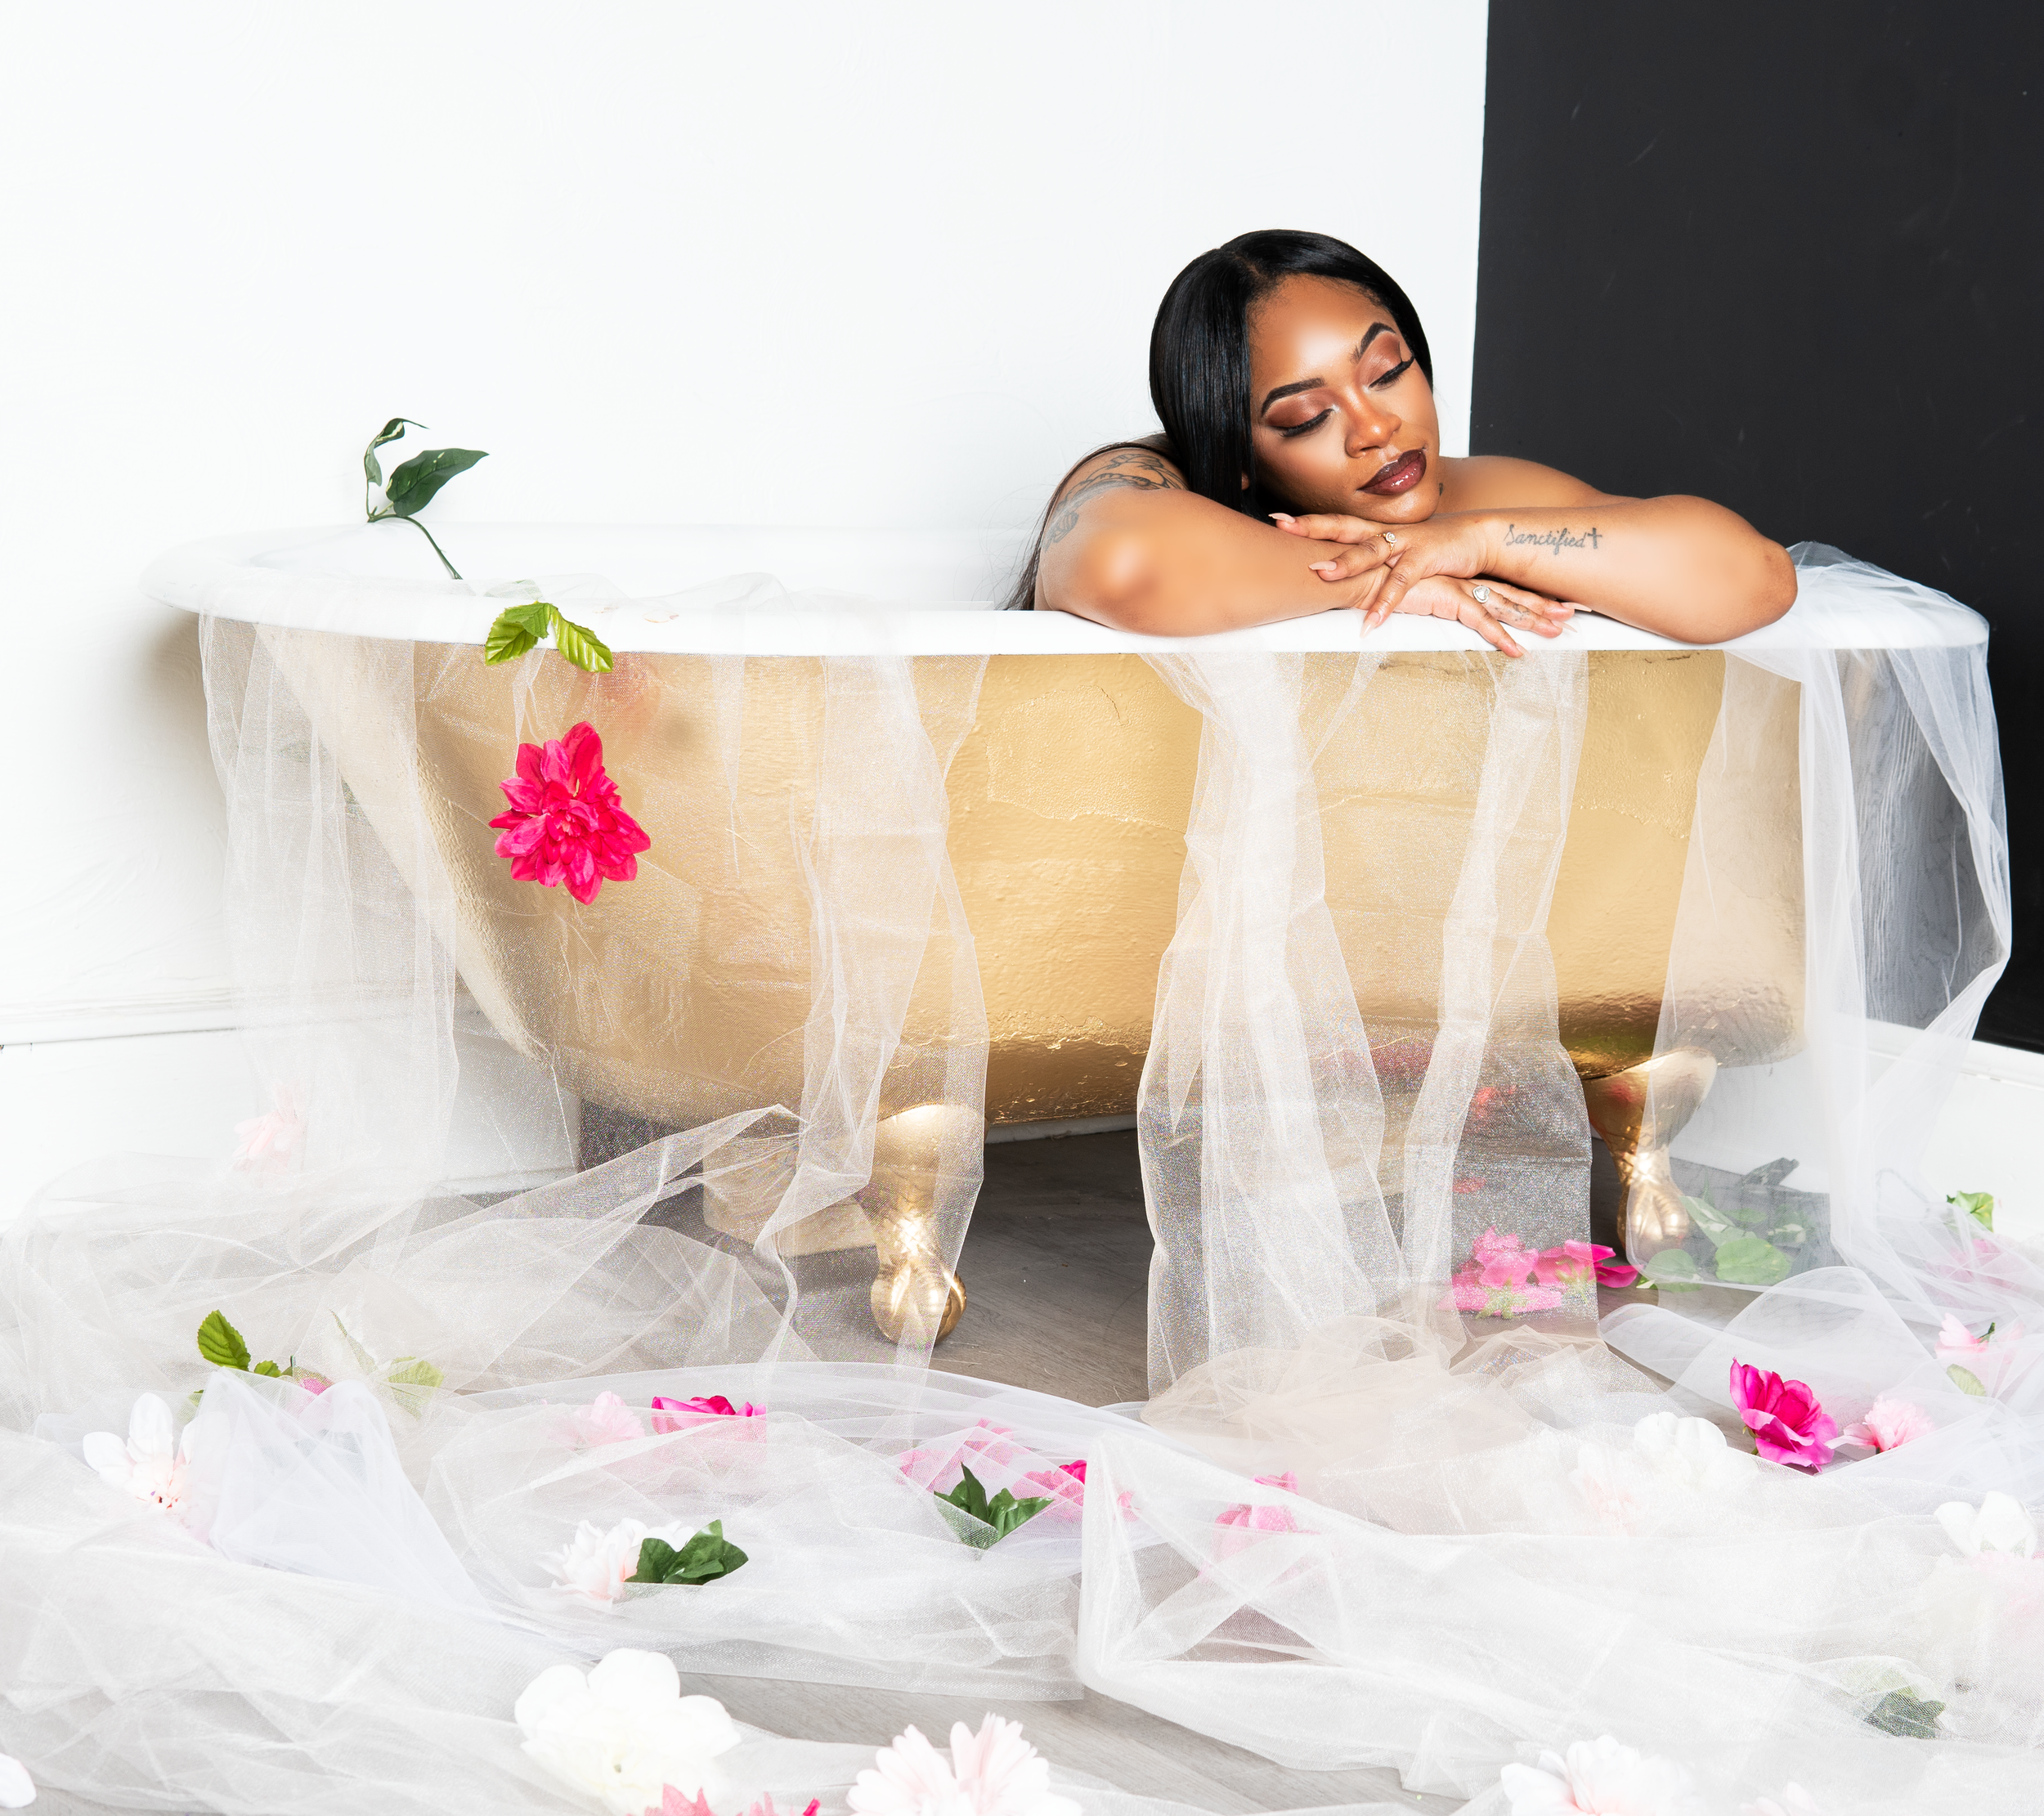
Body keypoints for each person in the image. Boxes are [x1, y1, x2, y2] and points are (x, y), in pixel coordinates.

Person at [1011, 230, 1796, 652]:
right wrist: (1390, 573)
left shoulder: (1468, 497)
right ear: (1237, 458)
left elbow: (1754, 578)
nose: (1377, 427)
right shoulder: (1145, 473)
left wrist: (1476, 540)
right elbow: (1119, 564)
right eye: (1306, 417)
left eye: (1387, 370)